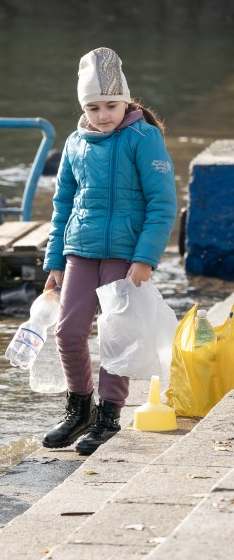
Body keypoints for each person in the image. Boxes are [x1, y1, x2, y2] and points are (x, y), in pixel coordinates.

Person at [42, 47, 177, 455]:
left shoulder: (143, 138)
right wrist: (54, 259)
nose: (103, 115)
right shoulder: (75, 144)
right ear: (83, 107)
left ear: (126, 101)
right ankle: (78, 408)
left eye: (112, 105)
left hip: (125, 254)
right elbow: (62, 204)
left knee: (116, 336)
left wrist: (145, 258)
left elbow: (162, 202)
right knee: (68, 332)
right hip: (79, 251)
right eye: (94, 107)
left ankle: (109, 415)